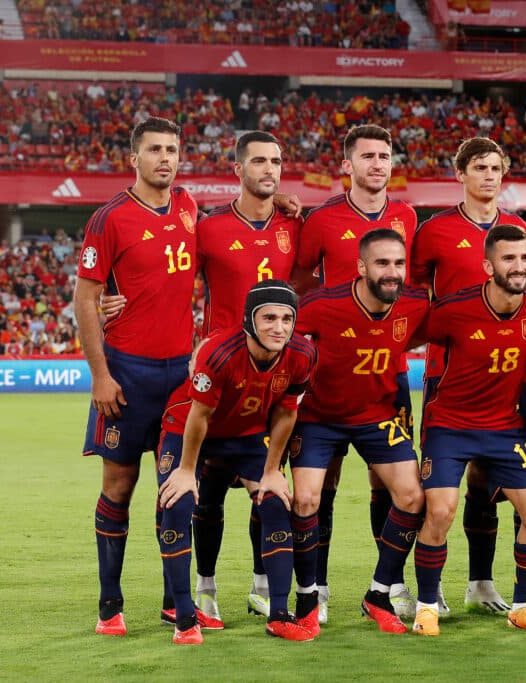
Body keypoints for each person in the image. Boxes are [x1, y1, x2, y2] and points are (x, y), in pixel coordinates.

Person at [74, 117, 199, 637]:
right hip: (126, 373)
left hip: (180, 378)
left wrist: (279, 205)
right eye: (155, 150)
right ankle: (110, 604)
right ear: (135, 157)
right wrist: (100, 375)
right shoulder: (110, 219)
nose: (165, 158)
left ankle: (176, 603)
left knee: (176, 488)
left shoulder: (190, 207)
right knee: (120, 486)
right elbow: (84, 300)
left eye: (172, 149)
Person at [290, 124, 419, 622]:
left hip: (389, 375)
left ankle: (391, 584)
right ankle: (316, 585)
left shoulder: (407, 215)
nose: (377, 164)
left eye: (385, 155)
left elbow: (415, 285)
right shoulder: (322, 220)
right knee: (322, 486)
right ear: (347, 165)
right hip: (330, 375)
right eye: (367, 156)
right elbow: (299, 283)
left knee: (387, 485)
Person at [412, 225, 526, 636]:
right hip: (449, 426)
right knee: (440, 511)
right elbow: (403, 336)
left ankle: (524, 606)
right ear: (487, 265)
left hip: (503, 427)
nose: (519, 267)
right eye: (509, 259)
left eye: (525, 258)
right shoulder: (453, 309)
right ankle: (426, 607)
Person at [183, 131, 303, 626]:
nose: (269, 169)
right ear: (238, 169)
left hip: (273, 381)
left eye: (276, 161)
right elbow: (171, 282)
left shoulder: (296, 225)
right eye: (258, 161)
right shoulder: (208, 229)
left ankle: (261, 586)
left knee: (269, 490)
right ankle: (204, 588)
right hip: (218, 377)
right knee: (206, 500)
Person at [157, 281, 318, 644]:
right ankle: (183, 617)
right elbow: (200, 415)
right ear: (249, 320)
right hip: (188, 426)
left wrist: (272, 470)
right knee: (177, 502)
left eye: (287, 318)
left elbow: (286, 412)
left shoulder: (303, 354)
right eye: (269, 318)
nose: (279, 327)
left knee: (276, 501)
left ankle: (279, 614)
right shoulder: (219, 353)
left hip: (245, 434)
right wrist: (186, 471)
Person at [411, 136, 526, 615]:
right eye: (478, 167)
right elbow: (416, 294)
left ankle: (481, 582)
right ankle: (428, 585)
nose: (488, 175)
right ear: (460, 174)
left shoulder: (519, 228)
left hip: (505, 379)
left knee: (488, 484)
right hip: (447, 375)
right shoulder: (436, 230)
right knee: (439, 488)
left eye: (495, 167)